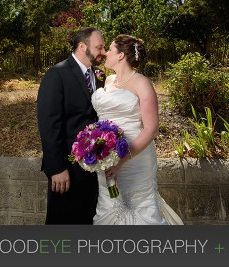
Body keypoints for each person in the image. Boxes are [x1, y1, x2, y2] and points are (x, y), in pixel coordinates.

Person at [92, 34, 182, 225]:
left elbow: (151, 129)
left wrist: (121, 160)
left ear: (121, 56)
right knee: (109, 205)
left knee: (140, 210)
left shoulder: (142, 83)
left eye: (110, 49)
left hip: (135, 157)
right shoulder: (108, 81)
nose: (106, 53)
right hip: (107, 155)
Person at [37, 27, 105, 224]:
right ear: (82, 47)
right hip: (67, 170)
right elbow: (49, 124)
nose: (103, 52)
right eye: (99, 47)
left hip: (95, 170)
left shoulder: (100, 76)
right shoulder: (56, 74)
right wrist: (56, 168)